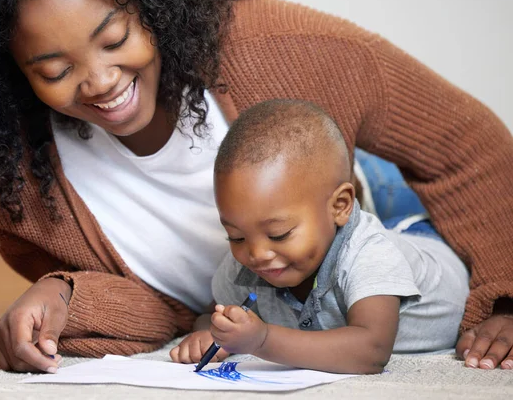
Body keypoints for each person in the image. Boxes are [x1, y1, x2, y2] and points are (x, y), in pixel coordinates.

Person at [0, 0, 511, 374]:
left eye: (113, 36)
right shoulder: (6, 174)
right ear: (10, 73)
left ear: (150, 0)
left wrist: (505, 296)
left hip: (378, 203)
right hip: (265, 288)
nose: (99, 82)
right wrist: (61, 295)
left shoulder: (281, 49)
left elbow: (466, 147)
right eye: (52, 70)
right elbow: (162, 309)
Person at [170, 100, 470, 374]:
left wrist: (261, 340)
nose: (257, 254)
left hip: (427, 243)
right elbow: (211, 314)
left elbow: (371, 352)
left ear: (340, 206)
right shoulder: (247, 260)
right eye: (235, 237)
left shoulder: (369, 254)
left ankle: (373, 181)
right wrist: (214, 330)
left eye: (279, 234)